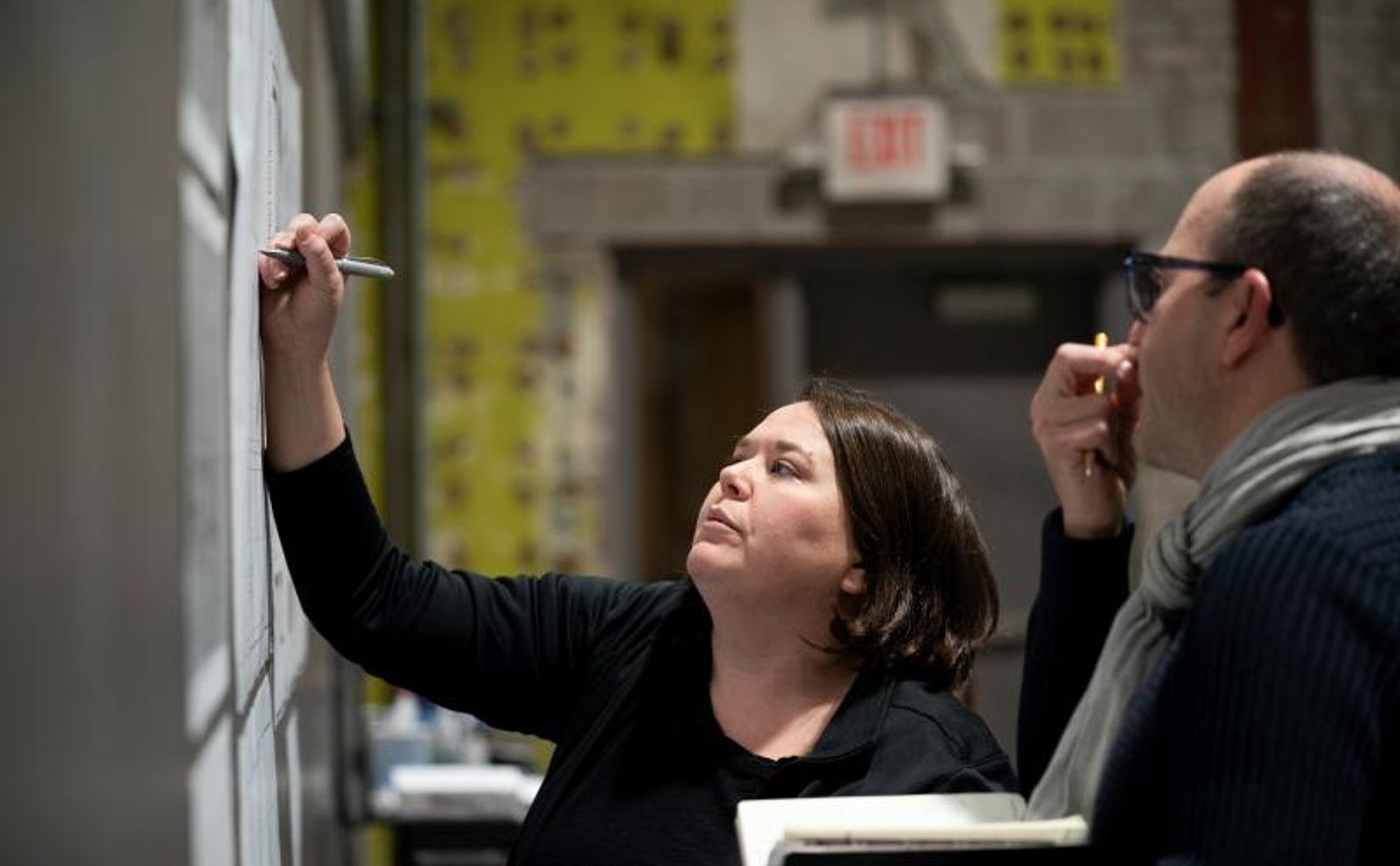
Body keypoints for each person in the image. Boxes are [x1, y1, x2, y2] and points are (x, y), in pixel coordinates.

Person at [258, 213, 1016, 866]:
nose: (733, 477)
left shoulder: (933, 773)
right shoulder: (626, 640)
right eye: (739, 456)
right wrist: (298, 355)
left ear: (865, 565)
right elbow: (375, 602)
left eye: (783, 469)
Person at [1018, 150, 1400, 863]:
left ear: (1244, 315)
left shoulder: (1299, 568)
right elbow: (1084, 807)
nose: (1135, 335)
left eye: (1156, 287)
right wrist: (1090, 528)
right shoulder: (1355, 516)